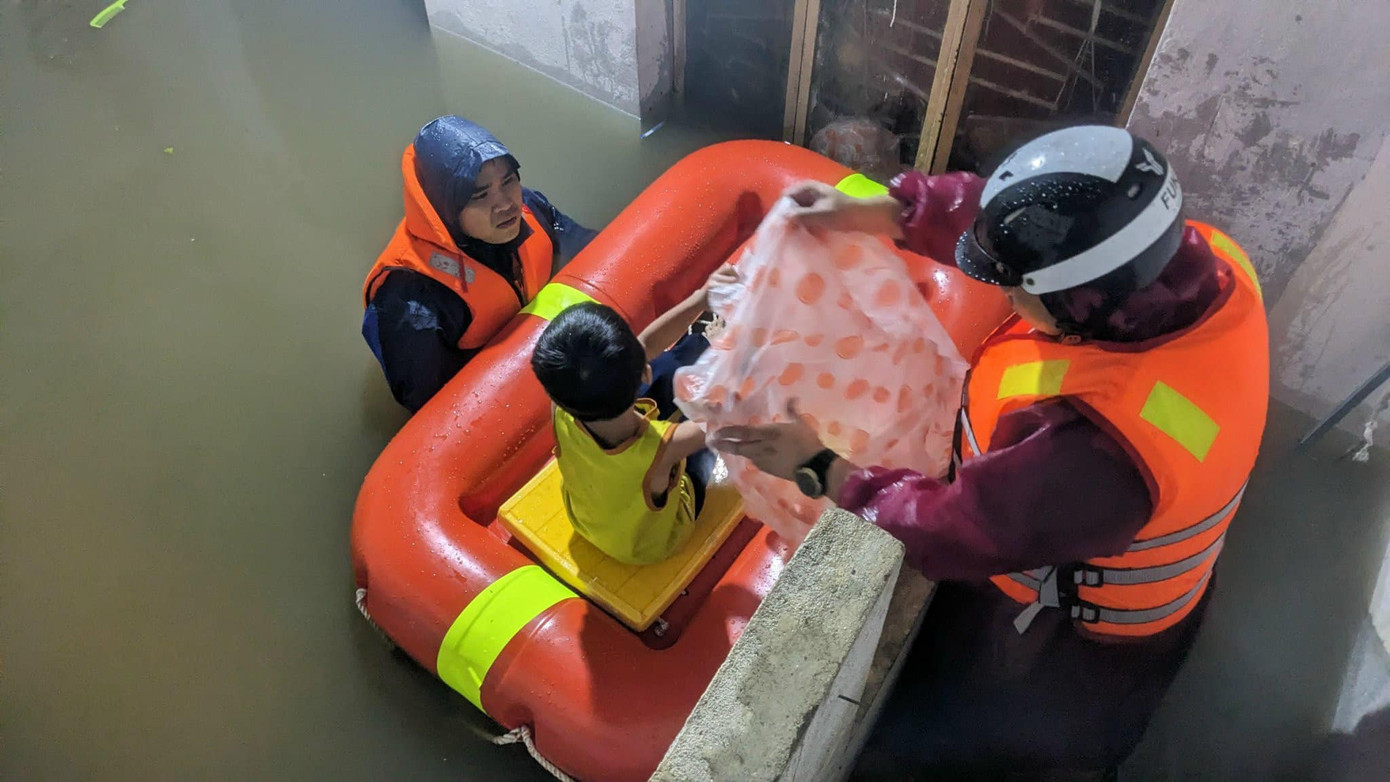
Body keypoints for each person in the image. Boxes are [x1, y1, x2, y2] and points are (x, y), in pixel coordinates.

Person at [712, 126, 1269, 778]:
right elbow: (1007, 220)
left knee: (990, 749)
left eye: (1016, 287)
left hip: (1068, 645)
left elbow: (958, 530)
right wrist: (888, 211)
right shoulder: (1180, 260)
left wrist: (816, 464)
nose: (1003, 295)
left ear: (1075, 300)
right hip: (1099, 564)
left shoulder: (1099, 450)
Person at [363, 115, 598, 412]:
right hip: (494, 391)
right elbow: (433, 407)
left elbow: (593, 253)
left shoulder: (530, 208)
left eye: (508, 181)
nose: (505, 204)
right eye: (480, 195)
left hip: (545, 345)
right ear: (446, 208)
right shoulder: (410, 302)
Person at [530, 265, 736, 565]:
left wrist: (701, 299)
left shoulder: (560, 405)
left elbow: (644, 348)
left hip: (587, 519)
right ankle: (709, 344)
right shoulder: (665, 447)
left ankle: (701, 343)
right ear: (642, 372)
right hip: (652, 545)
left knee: (665, 371)